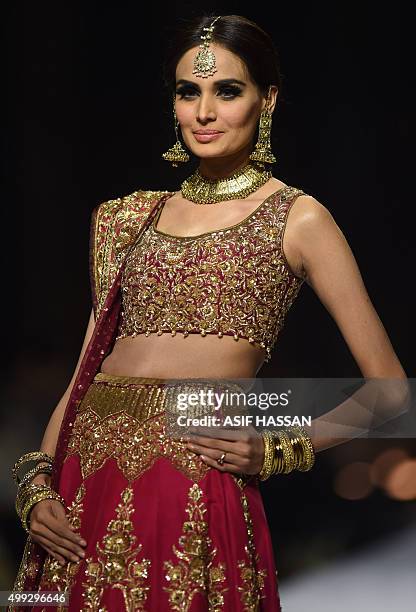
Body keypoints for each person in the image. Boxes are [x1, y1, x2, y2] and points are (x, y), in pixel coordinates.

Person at [9, 14, 408, 612]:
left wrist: (276, 447)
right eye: (187, 92)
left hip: (196, 480)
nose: (204, 111)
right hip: (84, 482)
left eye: (227, 90)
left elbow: (391, 393)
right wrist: (36, 485)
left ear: (266, 99)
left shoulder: (299, 219)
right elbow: (82, 378)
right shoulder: (124, 218)